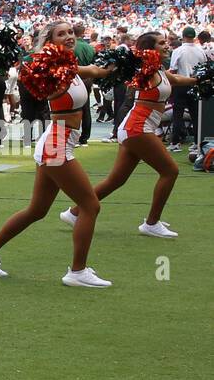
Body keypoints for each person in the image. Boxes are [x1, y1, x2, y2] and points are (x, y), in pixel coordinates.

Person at [0, 21, 117, 288]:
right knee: (90, 205)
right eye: (62, 34)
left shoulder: (68, 66)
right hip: (57, 146)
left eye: (71, 32)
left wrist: (117, 65)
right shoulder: (49, 68)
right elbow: (32, 72)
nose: (69, 37)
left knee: (37, 210)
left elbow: (94, 70)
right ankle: (77, 271)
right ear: (49, 40)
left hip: (57, 144)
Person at [65, 31, 196, 239]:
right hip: (138, 128)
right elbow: (135, 75)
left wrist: (199, 79)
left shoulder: (160, 70)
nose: (166, 46)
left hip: (135, 128)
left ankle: (74, 212)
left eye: (166, 42)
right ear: (149, 49)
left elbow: (177, 78)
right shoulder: (145, 69)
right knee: (170, 171)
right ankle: (151, 223)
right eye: (161, 43)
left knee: (116, 180)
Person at [167, 26, 204, 149]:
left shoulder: (178, 50)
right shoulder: (200, 51)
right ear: (194, 37)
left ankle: (175, 143)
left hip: (181, 84)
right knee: (196, 115)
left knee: (177, 114)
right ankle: (197, 142)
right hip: (195, 84)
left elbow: (172, 70)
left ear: (183, 37)